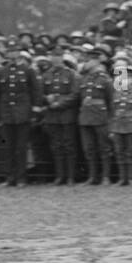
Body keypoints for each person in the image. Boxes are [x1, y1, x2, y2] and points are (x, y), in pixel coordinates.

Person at [0, 39, 43, 187]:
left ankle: (21, 178)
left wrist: (34, 111)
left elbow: (36, 92)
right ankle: (10, 177)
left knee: (21, 147)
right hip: (7, 114)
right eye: (10, 52)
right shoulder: (2, 71)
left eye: (15, 51)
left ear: (19, 53)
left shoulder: (28, 70)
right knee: (8, 147)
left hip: (23, 114)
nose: (12, 54)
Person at [41, 45, 81, 185]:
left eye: (58, 56)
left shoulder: (71, 74)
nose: (55, 59)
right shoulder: (46, 75)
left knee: (69, 145)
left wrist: (60, 104)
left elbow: (75, 94)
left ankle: (70, 176)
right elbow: (40, 93)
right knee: (56, 146)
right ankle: (60, 175)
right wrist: (47, 99)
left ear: (62, 57)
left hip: (67, 114)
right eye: (53, 56)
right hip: (52, 115)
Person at [77, 49, 114, 185]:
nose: (86, 63)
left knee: (104, 148)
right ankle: (92, 176)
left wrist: (111, 119)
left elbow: (111, 101)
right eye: (86, 60)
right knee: (89, 148)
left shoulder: (105, 79)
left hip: (101, 117)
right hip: (86, 117)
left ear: (97, 61)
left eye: (90, 60)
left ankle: (105, 176)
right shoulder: (84, 79)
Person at [109, 69, 132, 186]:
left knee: (131, 152)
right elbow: (111, 113)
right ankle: (122, 178)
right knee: (119, 152)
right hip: (117, 127)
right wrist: (111, 129)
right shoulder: (115, 93)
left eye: (127, 79)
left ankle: (131, 178)